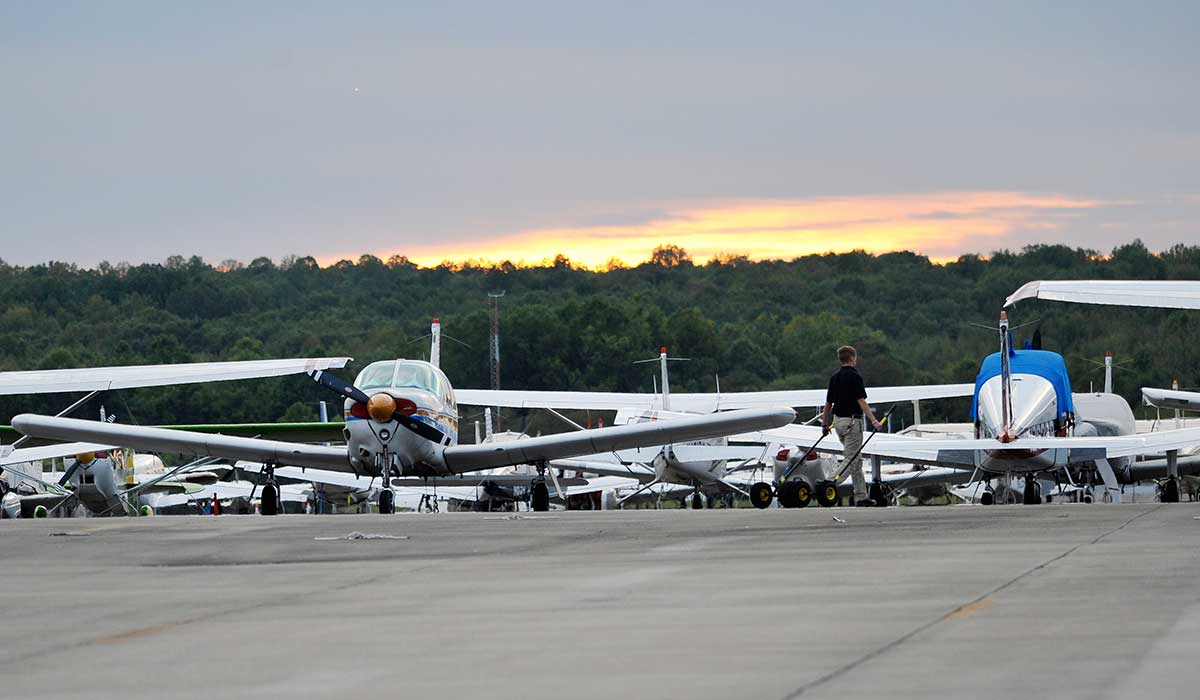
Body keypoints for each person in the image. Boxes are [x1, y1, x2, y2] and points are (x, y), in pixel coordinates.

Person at [822, 345, 883, 506]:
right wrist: (873, 420)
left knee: (856, 459)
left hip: (838, 422)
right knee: (851, 459)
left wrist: (825, 423)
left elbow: (828, 403)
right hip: (852, 422)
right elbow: (861, 400)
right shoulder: (855, 376)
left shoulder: (834, 377)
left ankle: (862, 496)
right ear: (851, 358)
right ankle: (829, 483)